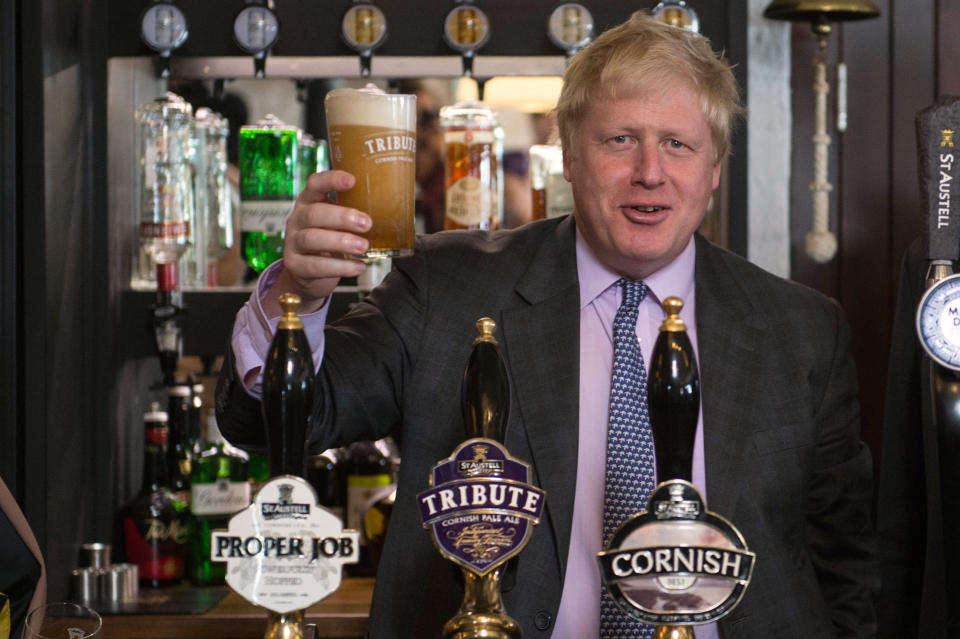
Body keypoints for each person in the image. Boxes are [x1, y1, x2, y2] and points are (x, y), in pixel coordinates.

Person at [216, 10, 878, 638]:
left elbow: (846, 566)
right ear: (570, 153)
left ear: (712, 169)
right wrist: (296, 295)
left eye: (677, 144)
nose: (650, 172)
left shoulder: (802, 330)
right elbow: (279, 417)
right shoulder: (447, 288)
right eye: (621, 140)